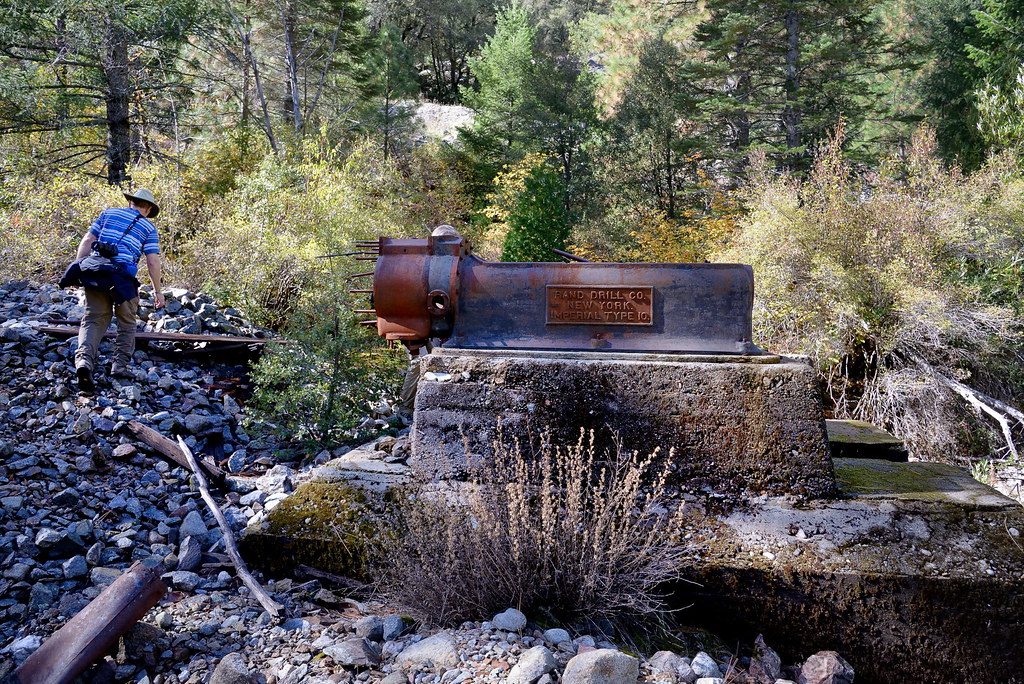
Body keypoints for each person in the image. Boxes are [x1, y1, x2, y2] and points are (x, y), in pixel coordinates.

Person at [70, 188, 165, 392]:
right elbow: (152, 261)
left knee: (94, 319)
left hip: (96, 271)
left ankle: (84, 363)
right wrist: (158, 291)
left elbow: (87, 241)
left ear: (131, 202)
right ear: (148, 208)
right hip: (122, 278)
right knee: (127, 322)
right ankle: (119, 367)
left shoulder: (108, 213)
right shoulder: (148, 228)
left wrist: (78, 268)